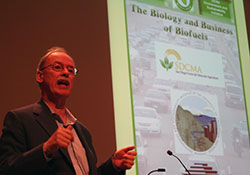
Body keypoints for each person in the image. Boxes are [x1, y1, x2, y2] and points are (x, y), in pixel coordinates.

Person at [0, 47, 137, 175]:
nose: (65, 73)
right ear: (40, 76)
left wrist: (113, 166)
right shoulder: (20, 119)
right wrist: (46, 149)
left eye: (71, 70)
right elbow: (6, 169)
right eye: (58, 67)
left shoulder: (82, 131)